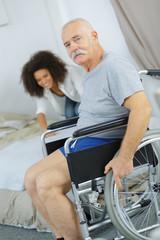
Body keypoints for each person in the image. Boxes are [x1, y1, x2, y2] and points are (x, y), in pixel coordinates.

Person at [24, 18, 152, 240]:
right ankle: (61, 235)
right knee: (31, 178)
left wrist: (124, 157)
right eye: (67, 44)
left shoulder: (113, 66)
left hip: (103, 143)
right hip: (83, 140)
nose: (73, 47)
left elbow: (142, 109)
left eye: (77, 39)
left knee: (46, 184)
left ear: (94, 36)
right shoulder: (90, 71)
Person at [21, 50, 83, 133]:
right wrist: (45, 131)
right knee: (69, 117)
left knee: (77, 111)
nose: (43, 81)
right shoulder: (42, 89)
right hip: (73, 97)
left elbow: (84, 93)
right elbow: (40, 111)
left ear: (52, 71)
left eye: (45, 76)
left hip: (86, 93)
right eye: (39, 80)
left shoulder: (70, 72)